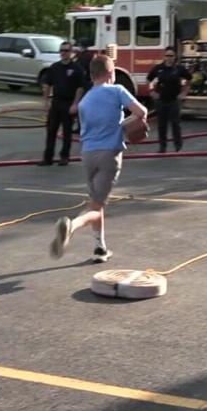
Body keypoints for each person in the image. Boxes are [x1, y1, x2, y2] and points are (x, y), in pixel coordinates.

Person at [49, 55, 148, 263]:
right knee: (95, 207)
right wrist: (124, 125)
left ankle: (100, 247)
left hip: (87, 155)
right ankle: (71, 226)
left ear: (92, 75)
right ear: (111, 73)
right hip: (109, 155)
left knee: (97, 204)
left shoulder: (85, 100)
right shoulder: (117, 90)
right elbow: (141, 112)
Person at [39, 41, 85, 166]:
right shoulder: (54, 67)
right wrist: (45, 102)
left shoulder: (76, 68)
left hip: (68, 103)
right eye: (61, 50)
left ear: (71, 52)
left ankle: (64, 157)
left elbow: (80, 88)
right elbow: (47, 84)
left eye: (66, 50)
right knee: (51, 131)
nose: (63, 53)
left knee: (67, 132)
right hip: (56, 102)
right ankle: (47, 158)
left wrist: (75, 104)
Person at [147, 46, 192, 153]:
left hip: (174, 101)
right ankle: (162, 147)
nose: (169, 58)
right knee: (162, 125)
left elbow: (189, 79)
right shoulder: (158, 68)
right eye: (167, 55)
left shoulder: (179, 69)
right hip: (161, 101)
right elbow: (149, 80)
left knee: (176, 124)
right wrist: (152, 92)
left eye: (171, 56)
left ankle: (178, 146)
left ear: (175, 57)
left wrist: (184, 92)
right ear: (164, 56)